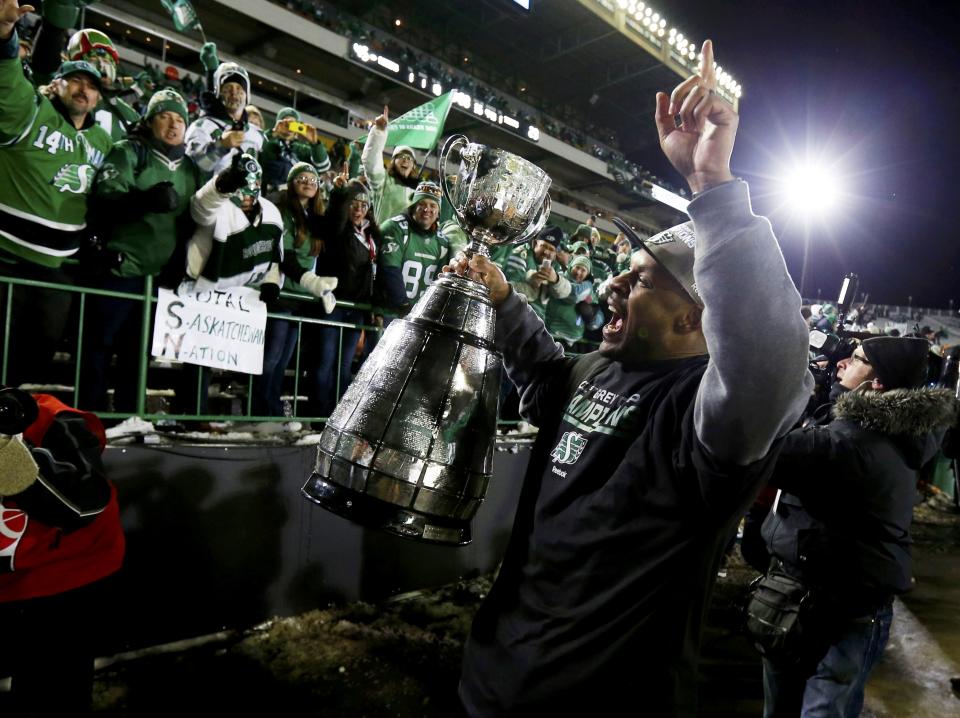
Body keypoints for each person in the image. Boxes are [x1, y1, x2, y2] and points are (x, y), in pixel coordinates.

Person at [452, 40, 812, 716]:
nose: (615, 281)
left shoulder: (708, 420)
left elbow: (769, 355)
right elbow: (544, 374)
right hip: (494, 679)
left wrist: (713, 189)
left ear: (689, 321)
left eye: (643, 279)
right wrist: (502, 298)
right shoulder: (599, 366)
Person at [759, 336, 957, 718]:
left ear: (877, 383)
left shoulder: (848, 442)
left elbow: (763, 449)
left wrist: (794, 391)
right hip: (856, 601)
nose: (840, 365)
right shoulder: (906, 432)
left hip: (823, 603)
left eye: (856, 360)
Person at [0, 5, 112, 387]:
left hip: (58, 270)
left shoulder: (103, 140)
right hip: (7, 259)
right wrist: (5, 35)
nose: (84, 90)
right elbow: (6, 83)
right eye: (76, 81)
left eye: (93, 86)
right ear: (58, 84)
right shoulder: (31, 110)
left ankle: (12, 440)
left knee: (34, 361)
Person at [0, 388, 125, 716]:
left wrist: (24, 474)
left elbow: (87, 502)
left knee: (50, 698)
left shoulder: (51, 419)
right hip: (12, 580)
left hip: (67, 573)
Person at [78, 88, 200, 413]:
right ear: (150, 120)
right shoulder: (130, 151)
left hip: (156, 279)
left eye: (179, 119)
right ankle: (88, 418)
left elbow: (194, 220)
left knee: (139, 352)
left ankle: (128, 418)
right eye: (164, 116)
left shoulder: (190, 168)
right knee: (98, 348)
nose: (173, 125)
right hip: (119, 270)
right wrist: (143, 200)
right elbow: (105, 198)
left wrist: (180, 262)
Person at [176, 152, 282, 414]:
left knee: (222, 356)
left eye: (252, 188)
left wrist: (272, 282)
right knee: (198, 357)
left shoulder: (271, 212)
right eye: (241, 187)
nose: (246, 195)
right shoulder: (221, 206)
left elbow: (275, 255)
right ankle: (190, 413)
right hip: (205, 291)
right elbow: (201, 206)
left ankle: (204, 413)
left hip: (239, 298)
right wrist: (222, 184)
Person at [253, 161, 337, 419]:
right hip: (281, 293)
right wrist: (310, 281)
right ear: (291, 183)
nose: (308, 183)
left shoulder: (315, 215)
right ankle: (258, 411)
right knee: (270, 359)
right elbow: (284, 256)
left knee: (281, 362)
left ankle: (273, 412)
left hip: (299, 298)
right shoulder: (284, 211)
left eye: (313, 179)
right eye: (302, 178)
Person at [377, 181, 451, 312]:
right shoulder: (394, 228)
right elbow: (389, 270)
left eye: (433, 205)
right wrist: (404, 306)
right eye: (421, 204)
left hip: (418, 315)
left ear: (439, 211)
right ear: (413, 206)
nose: (427, 209)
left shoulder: (442, 242)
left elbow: (440, 282)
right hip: (389, 311)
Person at [185, 61, 265, 180]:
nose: (234, 93)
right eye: (228, 88)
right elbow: (193, 168)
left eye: (239, 88)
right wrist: (221, 146)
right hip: (213, 197)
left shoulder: (257, 134)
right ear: (218, 92)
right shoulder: (201, 126)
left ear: (246, 95)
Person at [360, 106, 420, 224]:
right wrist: (379, 132)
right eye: (401, 157)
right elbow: (370, 160)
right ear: (393, 162)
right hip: (382, 240)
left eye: (409, 158)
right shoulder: (383, 182)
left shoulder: (419, 192)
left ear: (413, 166)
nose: (405, 160)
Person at [502, 227, 571, 320]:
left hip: (537, 319)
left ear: (555, 253)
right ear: (535, 244)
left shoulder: (555, 265)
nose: (546, 252)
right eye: (544, 246)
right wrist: (532, 285)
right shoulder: (522, 254)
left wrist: (556, 280)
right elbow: (507, 288)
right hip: (514, 313)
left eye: (551, 249)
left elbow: (565, 293)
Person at [260, 107, 332, 194]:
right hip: (266, 193)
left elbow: (323, 167)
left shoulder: (301, 149)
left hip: (291, 198)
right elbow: (259, 151)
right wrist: (273, 133)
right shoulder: (267, 140)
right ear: (279, 124)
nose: (289, 127)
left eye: (293, 124)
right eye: (286, 123)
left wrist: (315, 144)